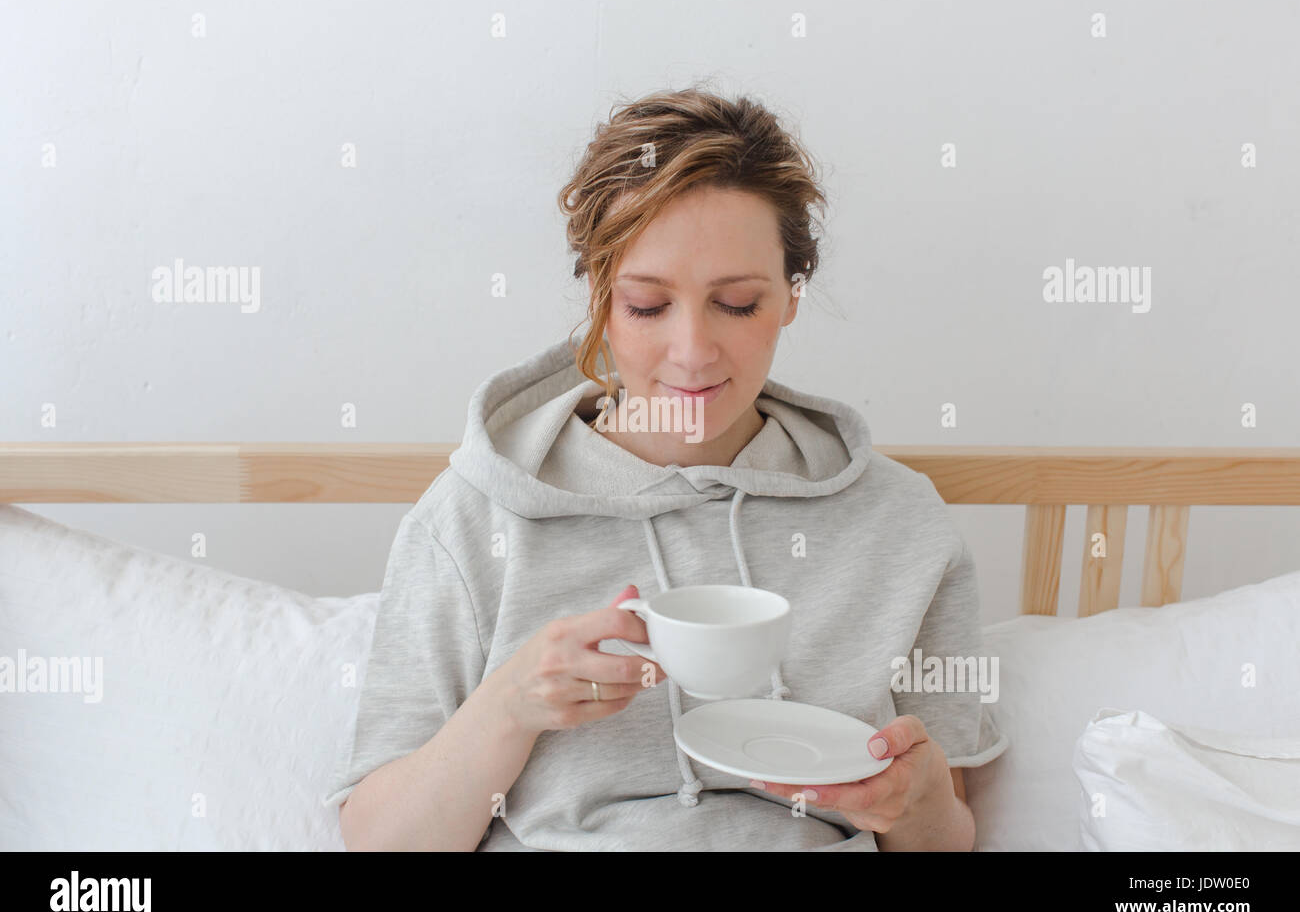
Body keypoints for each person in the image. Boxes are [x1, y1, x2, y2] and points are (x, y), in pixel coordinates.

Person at [326, 85, 1008, 851]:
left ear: (792, 295)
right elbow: (379, 841)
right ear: (599, 299)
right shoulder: (475, 517)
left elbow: (945, 835)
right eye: (649, 306)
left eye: (739, 304)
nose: (692, 353)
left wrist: (913, 802)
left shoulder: (901, 522)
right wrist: (510, 705)